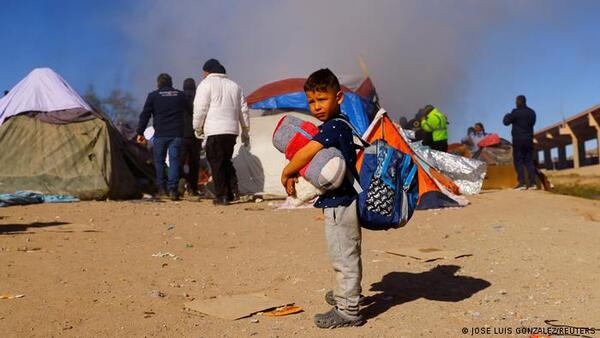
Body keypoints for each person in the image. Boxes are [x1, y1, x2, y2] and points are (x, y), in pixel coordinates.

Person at [281, 69, 365, 328]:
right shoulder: (341, 123)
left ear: (338, 97)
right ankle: (346, 294)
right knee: (346, 252)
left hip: (341, 203)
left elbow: (309, 151)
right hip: (341, 201)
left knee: (343, 255)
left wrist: (288, 170)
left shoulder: (334, 126)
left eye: (322, 99)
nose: (316, 107)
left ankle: (349, 310)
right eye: (312, 101)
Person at [193, 59, 250, 206]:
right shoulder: (235, 86)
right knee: (225, 161)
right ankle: (232, 192)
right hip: (231, 131)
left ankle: (222, 196)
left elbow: (200, 109)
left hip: (214, 130)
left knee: (216, 163)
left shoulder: (206, 84)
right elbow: (243, 110)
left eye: (203, 72)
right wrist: (245, 130)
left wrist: (197, 128)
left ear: (208, 71)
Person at [136, 73, 189, 201]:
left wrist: (140, 132)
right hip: (176, 134)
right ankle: (173, 190)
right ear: (171, 83)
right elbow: (191, 111)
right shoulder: (180, 95)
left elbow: (145, 115)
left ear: (158, 83)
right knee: (174, 161)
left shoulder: (153, 96)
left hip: (160, 134)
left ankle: (161, 189)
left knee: (159, 162)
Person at [503, 95, 537, 190]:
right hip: (529, 139)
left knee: (518, 161)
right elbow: (533, 123)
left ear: (518, 102)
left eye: (516, 101)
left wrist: (507, 115)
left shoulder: (515, 112)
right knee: (529, 161)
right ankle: (533, 183)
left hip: (518, 140)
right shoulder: (532, 112)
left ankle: (522, 183)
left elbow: (506, 122)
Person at [181, 77, 202, 197]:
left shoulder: (180, 98)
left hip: (183, 135)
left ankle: (182, 182)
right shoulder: (198, 98)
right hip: (196, 135)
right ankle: (193, 188)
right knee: (194, 163)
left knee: (180, 162)